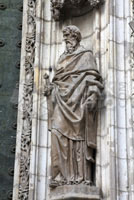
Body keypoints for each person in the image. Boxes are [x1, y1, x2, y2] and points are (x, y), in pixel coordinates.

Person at [45, 25, 103, 187]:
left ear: (76, 38)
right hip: (61, 103)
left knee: (78, 140)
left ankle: (80, 178)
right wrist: (51, 89)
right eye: (65, 39)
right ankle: (60, 177)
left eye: (69, 38)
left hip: (79, 103)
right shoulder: (62, 58)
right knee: (56, 133)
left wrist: (92, 95)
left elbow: (93, 79)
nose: (66, 42)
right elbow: (58, 81)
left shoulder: (86, 55)